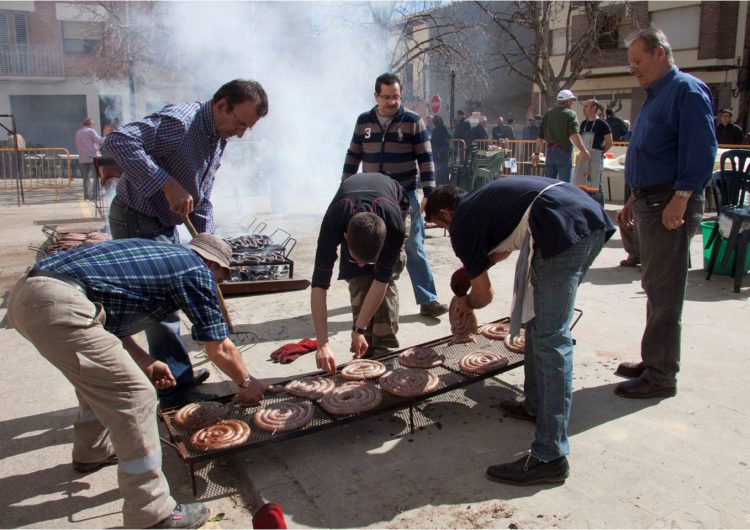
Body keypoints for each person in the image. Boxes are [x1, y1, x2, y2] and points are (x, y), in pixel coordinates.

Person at [7, 234, 265, 528]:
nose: (218, 283)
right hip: (58, 302)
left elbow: (108, 327)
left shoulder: (159, 256)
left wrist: (147, 361)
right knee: (137, 395)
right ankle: (152, 512)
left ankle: (91, 452)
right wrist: (246, 382)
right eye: (221, 275)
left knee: (98, 376)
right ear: (211, 263)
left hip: (28, 296)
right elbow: (219, 347)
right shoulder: (195, 269)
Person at [424, 178, 613, 485]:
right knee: (537, 323)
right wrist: (473, 271)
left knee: (552, 338)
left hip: (558, 229)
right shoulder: (482, 199)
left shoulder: (462, 224)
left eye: (440, 225)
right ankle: (535, 404)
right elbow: (503, 249)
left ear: (446, 213)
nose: (447, 233)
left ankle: (549, 456)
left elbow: (484, 296)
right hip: (586, 218)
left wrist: (465, 303)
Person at [104, 78, 269, 408]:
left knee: (169, 302)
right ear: (222, 105)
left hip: (163, 223)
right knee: (160, 308)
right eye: (239, 123)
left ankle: (177, 377)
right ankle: (173, 392)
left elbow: (202, 197)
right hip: (136, 217)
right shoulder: (181, 123)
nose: (240, 133)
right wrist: (166, 184)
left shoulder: (216, 137)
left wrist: (205, 248)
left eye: (247, 128)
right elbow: (118, 142)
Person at [614, 27, 717, 398]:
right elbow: (652, 153)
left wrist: (683, 195)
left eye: (638, 61)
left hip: (669, 203)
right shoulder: (655, 95)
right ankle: (653, 358)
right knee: (654, 286)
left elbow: (702, 149)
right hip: (649, 199)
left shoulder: (685, 91)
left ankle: (661, 375)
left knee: (665, 290)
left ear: (660, 54)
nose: (633, 70)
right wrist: (633, 197)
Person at [342, 72, 447, 318]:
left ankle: (427, 299)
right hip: (371, 196)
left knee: (413, 246)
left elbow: (425, 158)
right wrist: (345, 188)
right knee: (371, 243)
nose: (392, 102)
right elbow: (353, 154)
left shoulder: (412, 121)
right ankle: (373, 295)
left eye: (396, 97)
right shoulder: (364, 121)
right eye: (386, 97)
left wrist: (429, 192)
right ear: (376, 96)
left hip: (404, 195)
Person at [311, 172, 409, 371]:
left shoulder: (394, 228)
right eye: (357, 259)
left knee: (386, 283)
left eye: (369, 259)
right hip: (350, 207)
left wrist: (359, 328)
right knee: (358, 279)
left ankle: (383, 346)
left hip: (393, 201)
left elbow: (380, 281)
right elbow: (318, 287)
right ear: (345, 237)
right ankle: (364, 342)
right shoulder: (333, 223)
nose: (363, 264)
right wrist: (322, 343)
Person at [534, 90, 590, 183]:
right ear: (568, 101)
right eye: (571, 100)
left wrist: (536, 154)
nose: (571, 103)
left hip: (550, 152)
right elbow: (574, 135)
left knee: (548, 184)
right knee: (565, 185)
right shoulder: (570, 114)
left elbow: (540, 137)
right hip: (564, 152)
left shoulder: (548, 113)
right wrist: (583, 150)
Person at [573, 99, 612, 205]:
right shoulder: (583, 124)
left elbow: (609, 141)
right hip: (582, 158)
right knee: (581, 186)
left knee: (596, 187)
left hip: (595, 159)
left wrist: (600, 153)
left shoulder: (602, 124)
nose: (583, 108)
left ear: (594, 108)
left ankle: (600, 212)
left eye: (586, 106)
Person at [74, 118, 106, 200]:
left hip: (82, 157)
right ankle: (95, 195)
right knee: (96, 176)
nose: (93, 127)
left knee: (86, 178)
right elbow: (99, 140)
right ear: (90, 124)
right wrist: (107, 138)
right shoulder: (90, 131)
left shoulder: (78, 132)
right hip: (92, 157)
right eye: (93, 125)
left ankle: (87, 195)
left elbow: (76, 144)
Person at [430, 115, 451, 185]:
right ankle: (445, 182)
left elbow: (433, 141)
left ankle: (439, 184)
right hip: (444, 150)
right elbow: (449, 136)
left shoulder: (434, 130)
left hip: (437, 151)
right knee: (444, 167)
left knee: (438, 169)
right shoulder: (444, 128)